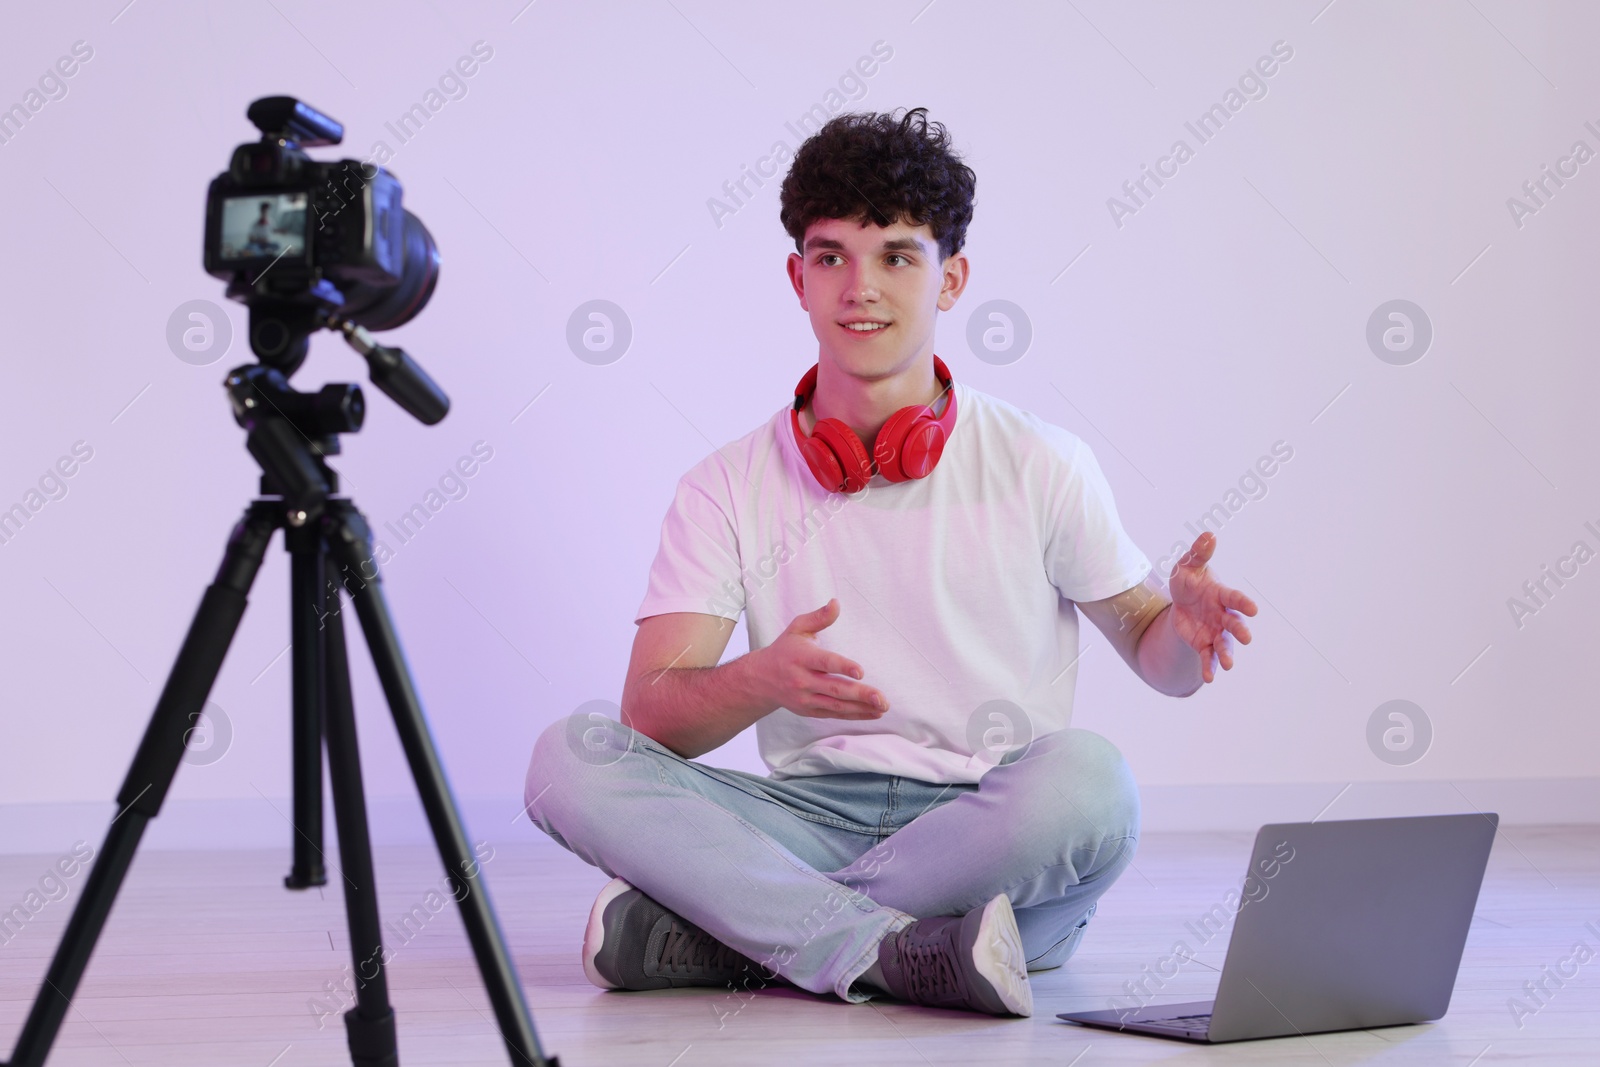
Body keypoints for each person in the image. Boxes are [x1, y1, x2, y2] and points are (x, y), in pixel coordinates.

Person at [524, 107, 1257, 1018]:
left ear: (950, 278)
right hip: (804, 822)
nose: (859, 287)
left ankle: (740, 933)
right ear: (798, 277)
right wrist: (759, 679)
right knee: (570, 755)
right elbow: (652, 714)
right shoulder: (723, 484)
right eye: (831, 256)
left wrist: (1183, 635)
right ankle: (905, 951)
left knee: (1092, 781)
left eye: (897, 256)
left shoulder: (1042, 460)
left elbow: (1160, 657)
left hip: (988, 821)